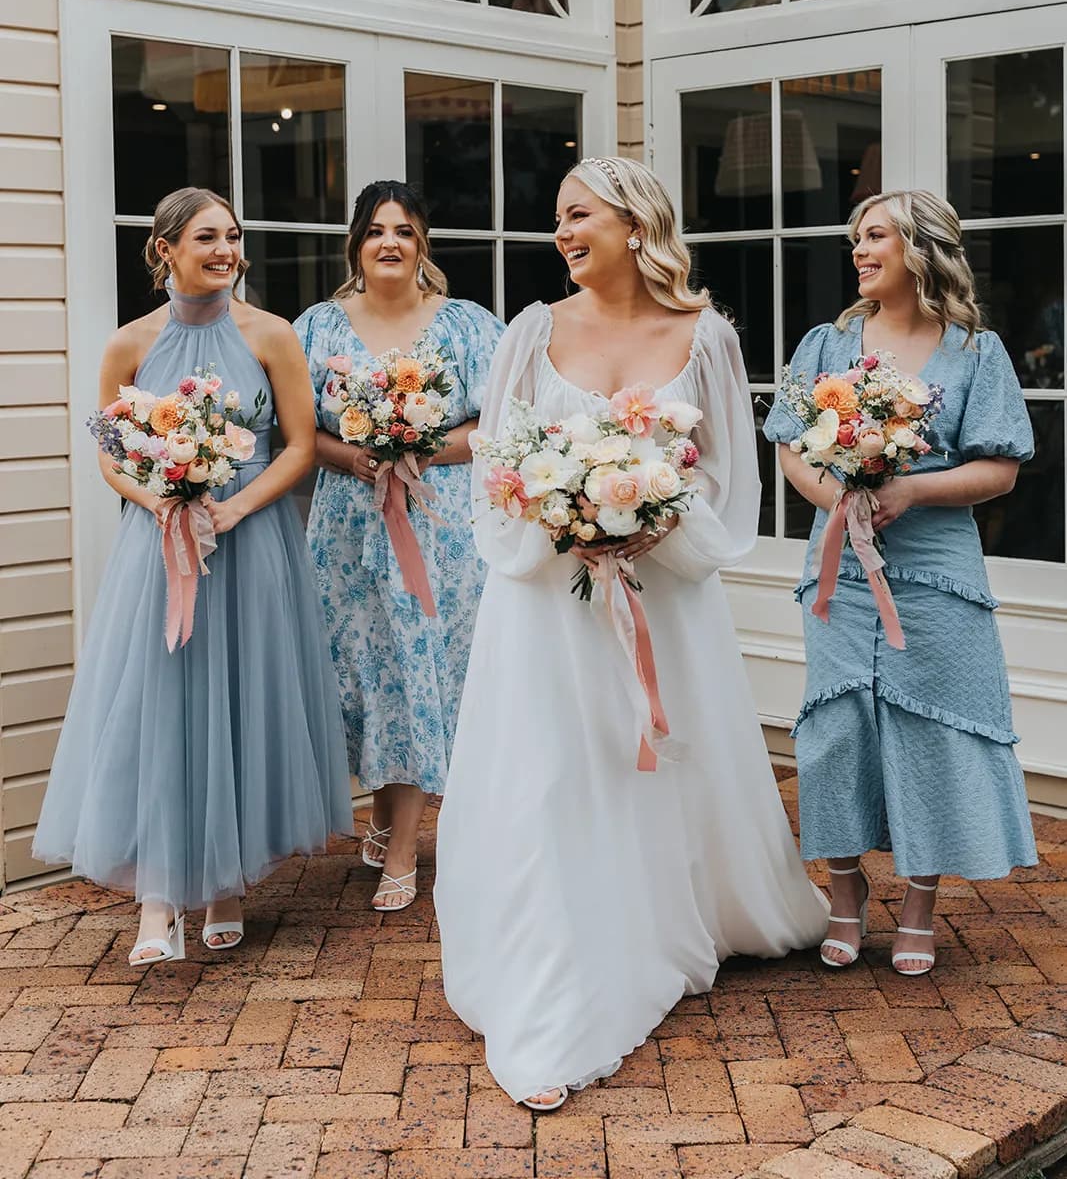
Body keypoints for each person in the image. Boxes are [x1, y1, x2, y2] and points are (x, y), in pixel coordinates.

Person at [435, 156, 828, 1109]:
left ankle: (677, 908)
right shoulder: (532, 331)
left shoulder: (707, 337)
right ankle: (559, 954)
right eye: (557, 218)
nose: (561, 233)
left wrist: (652, 521)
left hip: (663, 595)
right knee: (555, 769)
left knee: (655, 754)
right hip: (544, 606)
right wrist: (564, 520)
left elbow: (729, 482)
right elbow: (497, 465)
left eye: (578, 215)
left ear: (635, 223)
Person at [34, 188, 353, 965]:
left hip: (252, 540)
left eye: (234, 237)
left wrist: (234, 508)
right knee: (163, 701)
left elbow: (299, 446)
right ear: (164, 249)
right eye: (207, 237)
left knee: (241, 699)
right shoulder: (127, 345)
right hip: (162, 543)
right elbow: (111, 453)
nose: (225, 250)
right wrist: (160, 497)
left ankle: (228, 884)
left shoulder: (272, 334)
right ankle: (156, 901)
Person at [764, 189, 1037, 976]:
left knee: (933, 736)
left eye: (875, 236)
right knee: (838, 733)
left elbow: (1000, 469)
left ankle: (918, 906)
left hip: (937, 571)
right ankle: (843, 900)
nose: (858, 250)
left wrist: (909, 489)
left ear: (920, 249)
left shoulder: (974, 353)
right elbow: (789, 445)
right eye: (856, 237)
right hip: (839, 571)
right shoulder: (824, 344)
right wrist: (838, 499)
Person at [294, 181, 503, 913]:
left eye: (405, 231)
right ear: (356, 243)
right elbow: (293, 434)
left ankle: (406, 847)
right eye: (377, 229)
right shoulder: (315, 329)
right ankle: (382, 814)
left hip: (438, 529)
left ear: (423, 245)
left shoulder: (468, 326)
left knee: (419, 672)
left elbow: (502, 421)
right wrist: (352, 455)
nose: (390, 242)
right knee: (363, 675)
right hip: (345, 531)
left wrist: (421, 449)